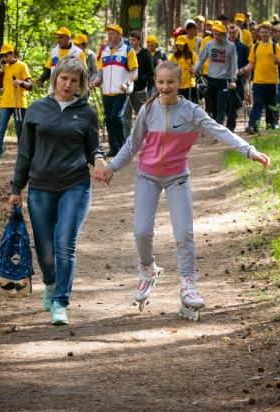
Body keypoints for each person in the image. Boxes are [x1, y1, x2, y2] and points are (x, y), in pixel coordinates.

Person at [92, 61, 270, 321]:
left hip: (178, 178)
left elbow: (219, 131)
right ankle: (147, 271)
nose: (165, 87)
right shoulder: (147, 109)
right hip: (147, 177)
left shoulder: (191, 111)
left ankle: (189, 284)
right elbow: (132, 145)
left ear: (179, 82)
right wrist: (111, 167)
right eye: (161, 82)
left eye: (170, 82)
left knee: (183, 233)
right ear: (155, 82)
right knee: (142, 230)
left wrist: (249, 150)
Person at [9, 56, 107, 325]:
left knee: (65, 244)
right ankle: (50, 283)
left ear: (81, 84)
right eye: (64, 78)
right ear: (55, 79)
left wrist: (99, 160)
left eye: (74, 80)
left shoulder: (86, 112)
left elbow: (94, 148)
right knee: (45, 250)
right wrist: (16, 188)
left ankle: (60, 302)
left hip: (75, 185)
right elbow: (25, 152)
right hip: (39, 188)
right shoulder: (38, 109)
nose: (68, 84)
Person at [89, 24, 138, 157]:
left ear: (119, 35)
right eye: (108, 34)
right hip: (106, 92)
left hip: (121, 91)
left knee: (116, 117)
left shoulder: (128, 50)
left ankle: (122, 146)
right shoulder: (104, 50)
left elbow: (134, 71)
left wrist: (127, 83)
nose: (109, 36)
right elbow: (100, 72)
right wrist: (95, 82)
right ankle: (113, 147)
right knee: (109, 120)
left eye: (112, 33)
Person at [0, 44, 32, 168]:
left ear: (13, 53)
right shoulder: (4, 68)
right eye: (3, 56)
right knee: (0, 131)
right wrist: (2, 69)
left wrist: (21, 82)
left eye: (7, 55)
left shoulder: (22, 65)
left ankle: (24, 158)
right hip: (5, 103)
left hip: (19, 103)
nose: (5, 57)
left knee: (20, 131)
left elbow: (30, 85)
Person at [240, 22, 280, 134]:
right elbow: (251, 64)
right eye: (262, 32)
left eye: (266, 32)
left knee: (271, 105)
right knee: (257, 104)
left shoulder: (276, 46)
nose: (264, 34)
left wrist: (278, 61)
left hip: (272, 81)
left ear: (270, 33)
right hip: (258, 81)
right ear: (259, 34)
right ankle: (252, 126)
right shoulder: (255, 47)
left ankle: (271, 125)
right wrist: (243, 70)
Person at [193, 22, 238, 126]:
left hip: (224, 80)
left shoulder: (230, 46)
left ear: (224, 34)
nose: (217, 37)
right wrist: (196, 68)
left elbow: (233, 64)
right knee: (213, 106)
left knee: (221, 106)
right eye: (215, 34)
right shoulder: (209, 45)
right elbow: (201, 59)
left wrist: (233, 80)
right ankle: (215, 128)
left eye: (219, 35)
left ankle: (220, 128)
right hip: (211, 79)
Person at [123, 30, 153, 139]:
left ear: (139, 41)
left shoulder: (145, 54)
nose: (131, 42)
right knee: (125, 116)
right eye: (130, 40)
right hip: (126, 89)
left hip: (140, 89)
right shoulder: (125, 53)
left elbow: (151, 73)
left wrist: (139, 78)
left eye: (134, 40)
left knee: (141, 116)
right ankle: (126, 139)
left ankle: (144, 138)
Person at [226, 25, 249, 132]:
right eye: (229, 33)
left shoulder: (243, 47)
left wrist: (242, 70)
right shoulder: (223, 46)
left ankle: (230, 126)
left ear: (238, 34)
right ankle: (229, 124)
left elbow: (247, 62)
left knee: (237, 102)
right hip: (225, 77)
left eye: (233, 33)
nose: (231, 35)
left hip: (239, 78)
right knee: (227, 103)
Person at [170, 35, 199, 103]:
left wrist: (194, 69)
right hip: (178, 85)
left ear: (185, 44)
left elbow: (197, 68)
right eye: (178, 44)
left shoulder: (192, 55)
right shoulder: (175, 56)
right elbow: (170, 67)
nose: (179, 46)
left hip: (189, 85)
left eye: (181, 44)